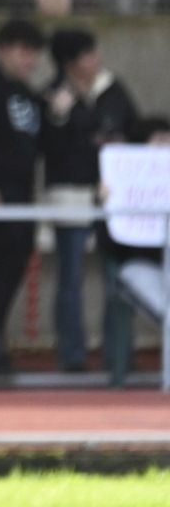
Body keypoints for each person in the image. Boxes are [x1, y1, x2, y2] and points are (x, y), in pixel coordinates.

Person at [41, 27, 140, 372]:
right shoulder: (53, 95)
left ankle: (119, 355)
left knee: (118, 277)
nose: (96, 60)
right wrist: (57, 117)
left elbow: (135, 131)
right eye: (87, 54)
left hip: (113, 197)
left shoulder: (113, 90)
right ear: (69, 62)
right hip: (69, 195)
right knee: (70, 278)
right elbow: (47, 149)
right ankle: (71, 355)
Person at [0, 19, 48, 350]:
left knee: (15, 267)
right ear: (4, 50)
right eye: (22, 52)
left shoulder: (30, 95)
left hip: (24, 195)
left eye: (33, 54)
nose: (28, 61)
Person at [100, 115, 170, 385]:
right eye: (159, 141)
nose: (164, 148)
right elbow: (111, 239)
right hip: (136, 263)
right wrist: (105, 200)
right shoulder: (120, 179)